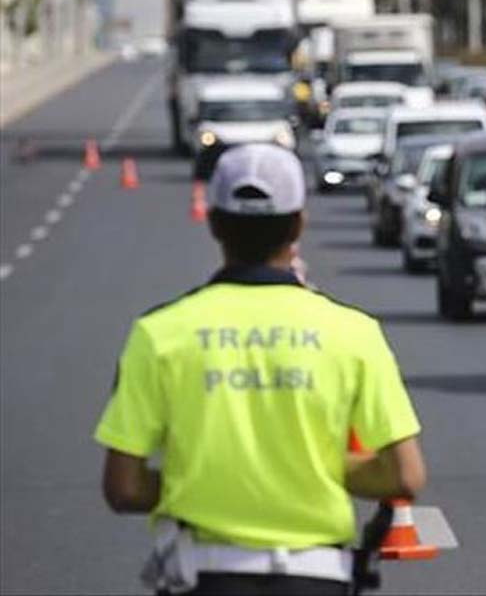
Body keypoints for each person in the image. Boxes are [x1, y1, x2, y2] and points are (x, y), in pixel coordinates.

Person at [94, 143, 426, 595]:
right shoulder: (354, 333)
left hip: (203, 577)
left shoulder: (159, 334)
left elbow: (123, 487)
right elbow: (404, 476)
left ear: (213, 222)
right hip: (318, 576)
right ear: (299, 225)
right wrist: (310, 466)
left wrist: (209, 478)